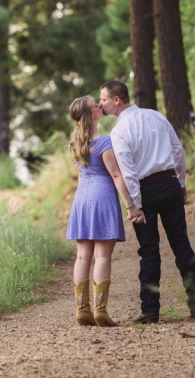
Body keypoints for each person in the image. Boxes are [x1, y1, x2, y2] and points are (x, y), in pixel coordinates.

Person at [98, 80, 195, 324]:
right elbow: (177, 151)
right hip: (169, 184)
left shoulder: (119, 131)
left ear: (116, 100)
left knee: (149, 251)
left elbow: (128, 171)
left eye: (103, 99)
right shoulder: (156, 116)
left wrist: (134, 204)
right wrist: (181, 182)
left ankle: (150, 311)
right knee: (182, 245)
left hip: (144, 191)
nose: (100, 103)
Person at [66, 95, 136, 327]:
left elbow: (80, 175)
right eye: (95, 105)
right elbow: (116, 175)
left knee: (82, 256)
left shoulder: (76, 143)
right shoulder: (104, 141)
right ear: (90, 114)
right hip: (102, 196)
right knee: (102, 255)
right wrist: (130, 204)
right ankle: (100, 311)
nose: (99, 105)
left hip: (82, 198)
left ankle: (81, 310)